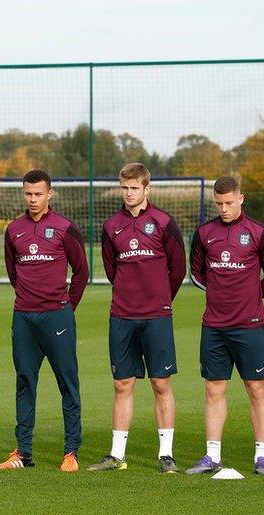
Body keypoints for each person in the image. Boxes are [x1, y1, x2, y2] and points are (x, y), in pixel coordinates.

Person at [88, 162, 186, 473]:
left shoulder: (163, 222)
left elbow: (178, 269)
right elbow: (112, 270)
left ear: (146, 189)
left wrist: (159, 300)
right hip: (122, 316)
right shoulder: (111, 226)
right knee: (122, 384)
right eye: (125, 188)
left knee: (160, 383)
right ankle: (117, 455)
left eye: (134, 188)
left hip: (156, 316)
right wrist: (129, 299)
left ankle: (165, 454)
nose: (129, 193)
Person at [186, 176, 264, 477]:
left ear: (242, 198)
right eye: (219, 204)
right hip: (214, 325)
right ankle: (212, 455)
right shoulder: (204, 233)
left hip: (249, 325)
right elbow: (196, 274)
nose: (224, 208)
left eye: (229, 202)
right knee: (214, 388)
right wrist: (220, 296)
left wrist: (249, 299)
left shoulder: (260, 234)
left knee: (256, 387)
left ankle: (261, 457)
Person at [0, 169, 88, 472]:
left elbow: (82, 271)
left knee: (67, 383)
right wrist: (28, 299)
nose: (32, 199)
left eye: (38, 194)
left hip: (56, 316)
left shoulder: (65, 228)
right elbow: (13, 271)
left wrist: (65, 307)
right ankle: (23, 452)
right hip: (24, 317)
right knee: (24, 381)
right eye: (28, 193)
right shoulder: (14, 230)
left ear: (50, 194)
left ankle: (71, 452)